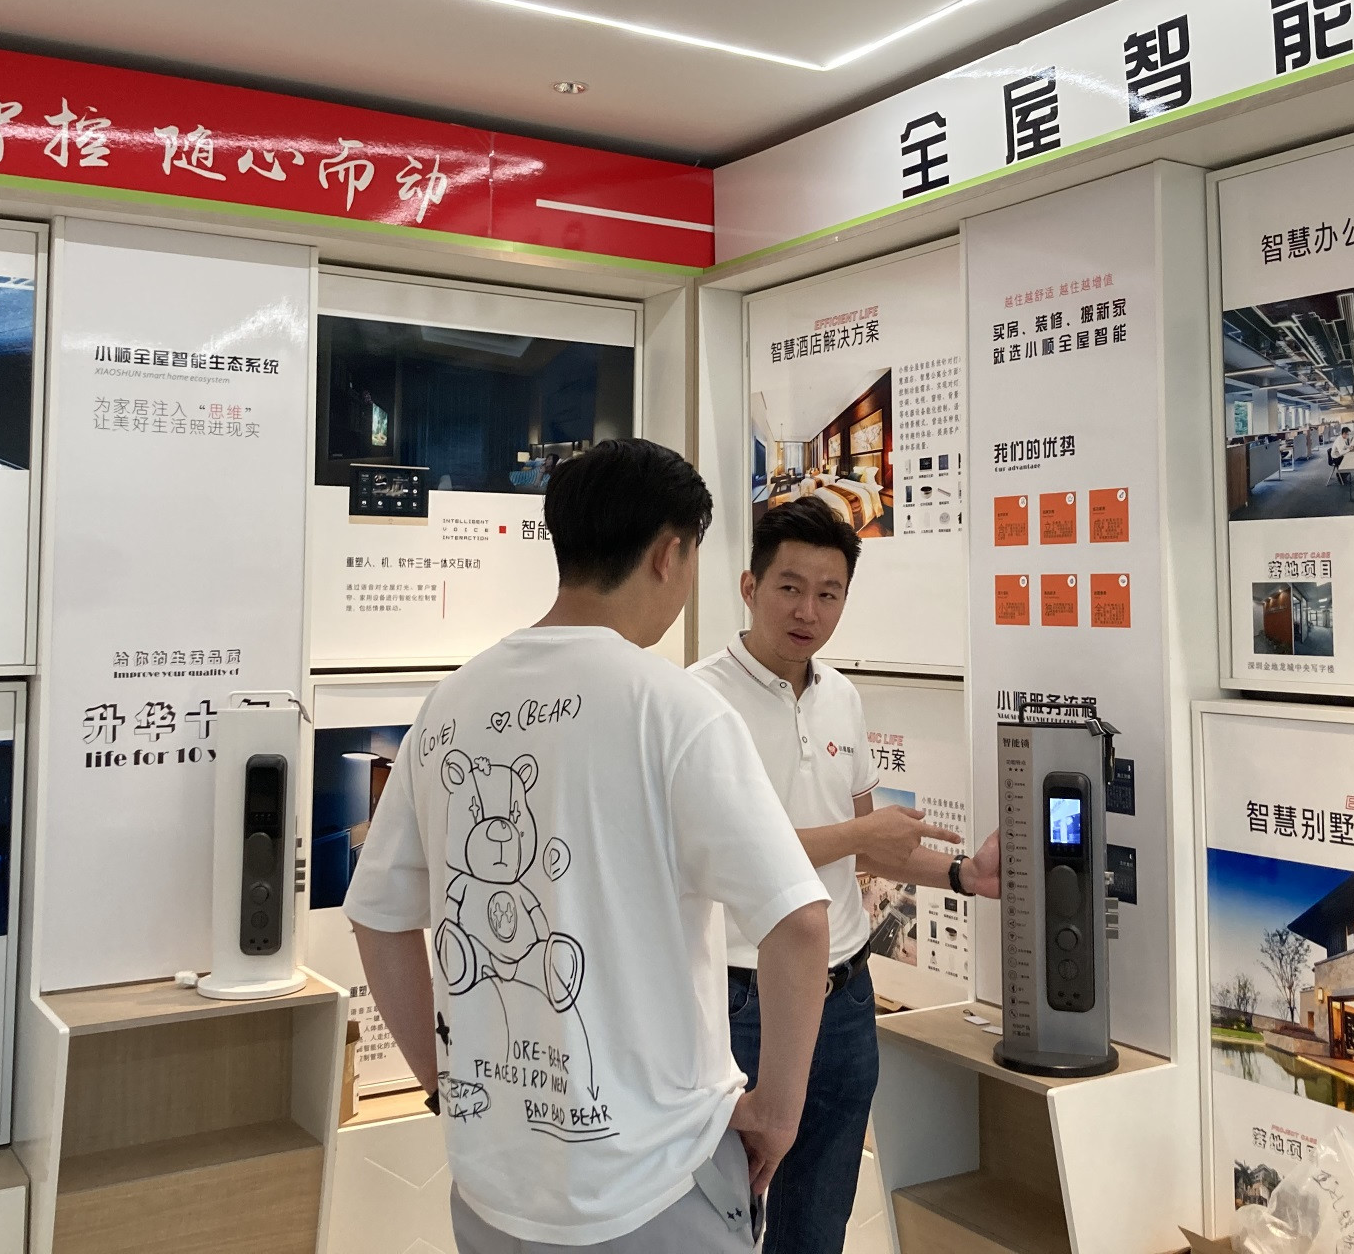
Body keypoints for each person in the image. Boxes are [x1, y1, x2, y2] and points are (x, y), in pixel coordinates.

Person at [346, 438, 833, 1252]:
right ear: (669, 555)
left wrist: (446, 1083)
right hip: (657, 1180)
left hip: (491, 1186)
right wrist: (779, 1114)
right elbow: (800, 921)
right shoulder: (677, 711)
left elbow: (377, 915)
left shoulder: (452, 702)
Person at [690, 500, 1001, 1254]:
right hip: (740, 999)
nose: (809, 611)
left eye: (829, 594)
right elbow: (719, 855)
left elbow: (865, 850)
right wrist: (863, 834)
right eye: (790, 588)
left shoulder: (842, 697)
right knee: (720, 1222)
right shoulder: (696, 701)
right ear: (749, 586)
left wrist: (965, 874)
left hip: (846, 996)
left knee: (817, 1227)